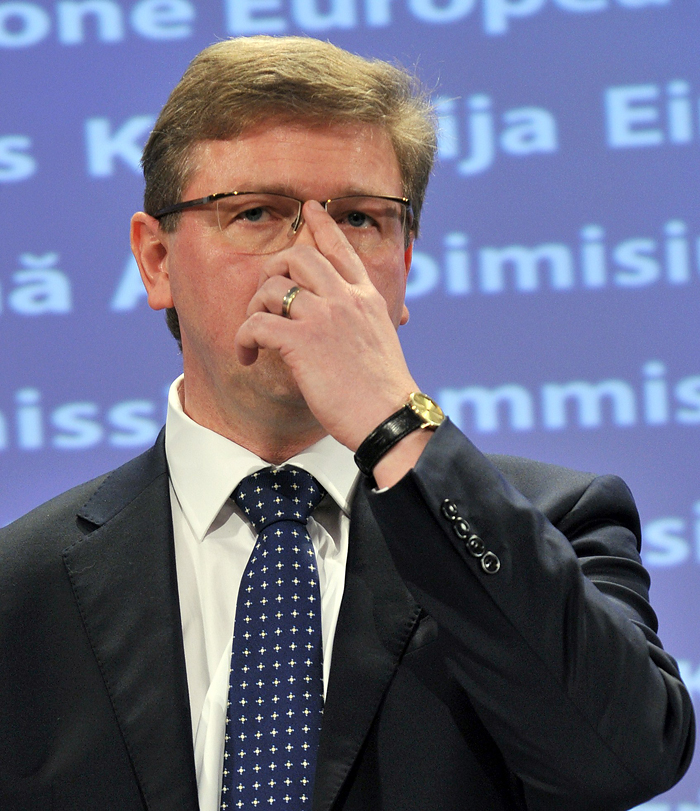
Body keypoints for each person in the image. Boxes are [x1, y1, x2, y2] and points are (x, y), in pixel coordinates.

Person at [0, 35, 694, 811]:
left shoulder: (555, 522)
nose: (314, 262)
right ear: (157, 260)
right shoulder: (18, 589)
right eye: (256, 212)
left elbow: (624, 759)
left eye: (359, 219)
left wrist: (393, 419)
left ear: (405, 266)